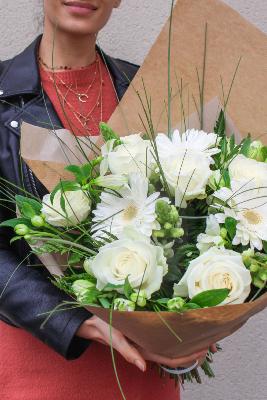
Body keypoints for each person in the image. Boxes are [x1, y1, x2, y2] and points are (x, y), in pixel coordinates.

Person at [0, 1, 214, 399]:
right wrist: (82, 323)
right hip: (41, 365)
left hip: (142, 371)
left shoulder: (151, 89)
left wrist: (198, 321)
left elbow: (197, 222)